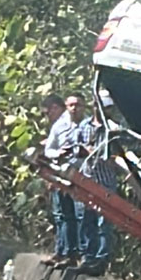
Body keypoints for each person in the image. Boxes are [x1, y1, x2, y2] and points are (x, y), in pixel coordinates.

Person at [74, 91, 119, 276]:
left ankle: (101, 260)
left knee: (104, 223)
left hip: (106, 181)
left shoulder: (114, 129)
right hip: (86, 178)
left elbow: (119, 154)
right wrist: (82, 151)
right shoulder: (84, 126)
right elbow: (76, 148)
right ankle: (87, 256)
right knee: (85, 220)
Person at [41, 92, 88, 269]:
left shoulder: (89, 125)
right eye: (71, 105)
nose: (74, 109)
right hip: (61, 176)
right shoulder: (59, 126)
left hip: (83, 177)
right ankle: (65, 252)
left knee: (81, 216)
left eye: (78, 105)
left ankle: (82, 254)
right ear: (66, 107)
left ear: (84, 107)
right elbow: (49, 150)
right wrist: (58, 153)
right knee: (63, 215)